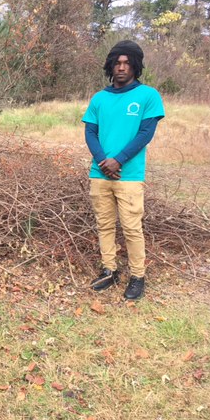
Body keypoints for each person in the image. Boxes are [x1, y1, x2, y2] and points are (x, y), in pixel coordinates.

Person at [82, 40, 165, 300]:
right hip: (100, 174)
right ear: (110, 65)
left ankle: (137, 277)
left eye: (127, 63)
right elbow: (90, 131)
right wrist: (103, 161)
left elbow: (145, 133)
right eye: (117, 62)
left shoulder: (148, 96)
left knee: (131, 228)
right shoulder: (99, 98)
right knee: (104, 225)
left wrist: (118, 160)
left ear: (136, 66)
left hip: (129, 175)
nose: (121, 67)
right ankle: (110, 270)